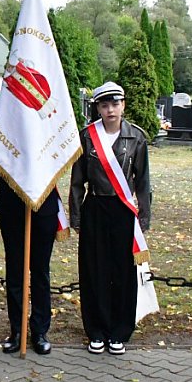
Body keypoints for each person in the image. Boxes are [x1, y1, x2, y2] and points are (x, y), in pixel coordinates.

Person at [69, 81, 150, 356]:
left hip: (123, 210)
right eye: (104, 105)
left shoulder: (136, 137)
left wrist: (143, 219)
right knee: (95, 270)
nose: (110, 110)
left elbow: (143, 182)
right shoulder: (87, 137)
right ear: (98, 109)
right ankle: (96, 330)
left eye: (115, 104)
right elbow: (77, 181)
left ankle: (119, 331)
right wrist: (76, 217)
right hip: (95, 208)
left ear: (123, 105)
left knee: (123, 272)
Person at [0, 171, 57, 356]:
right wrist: (17, 179)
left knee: (40, 272)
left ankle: (40, 331)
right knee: (15, 272)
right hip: (12, 205)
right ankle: (17, 330)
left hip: (44, 205)